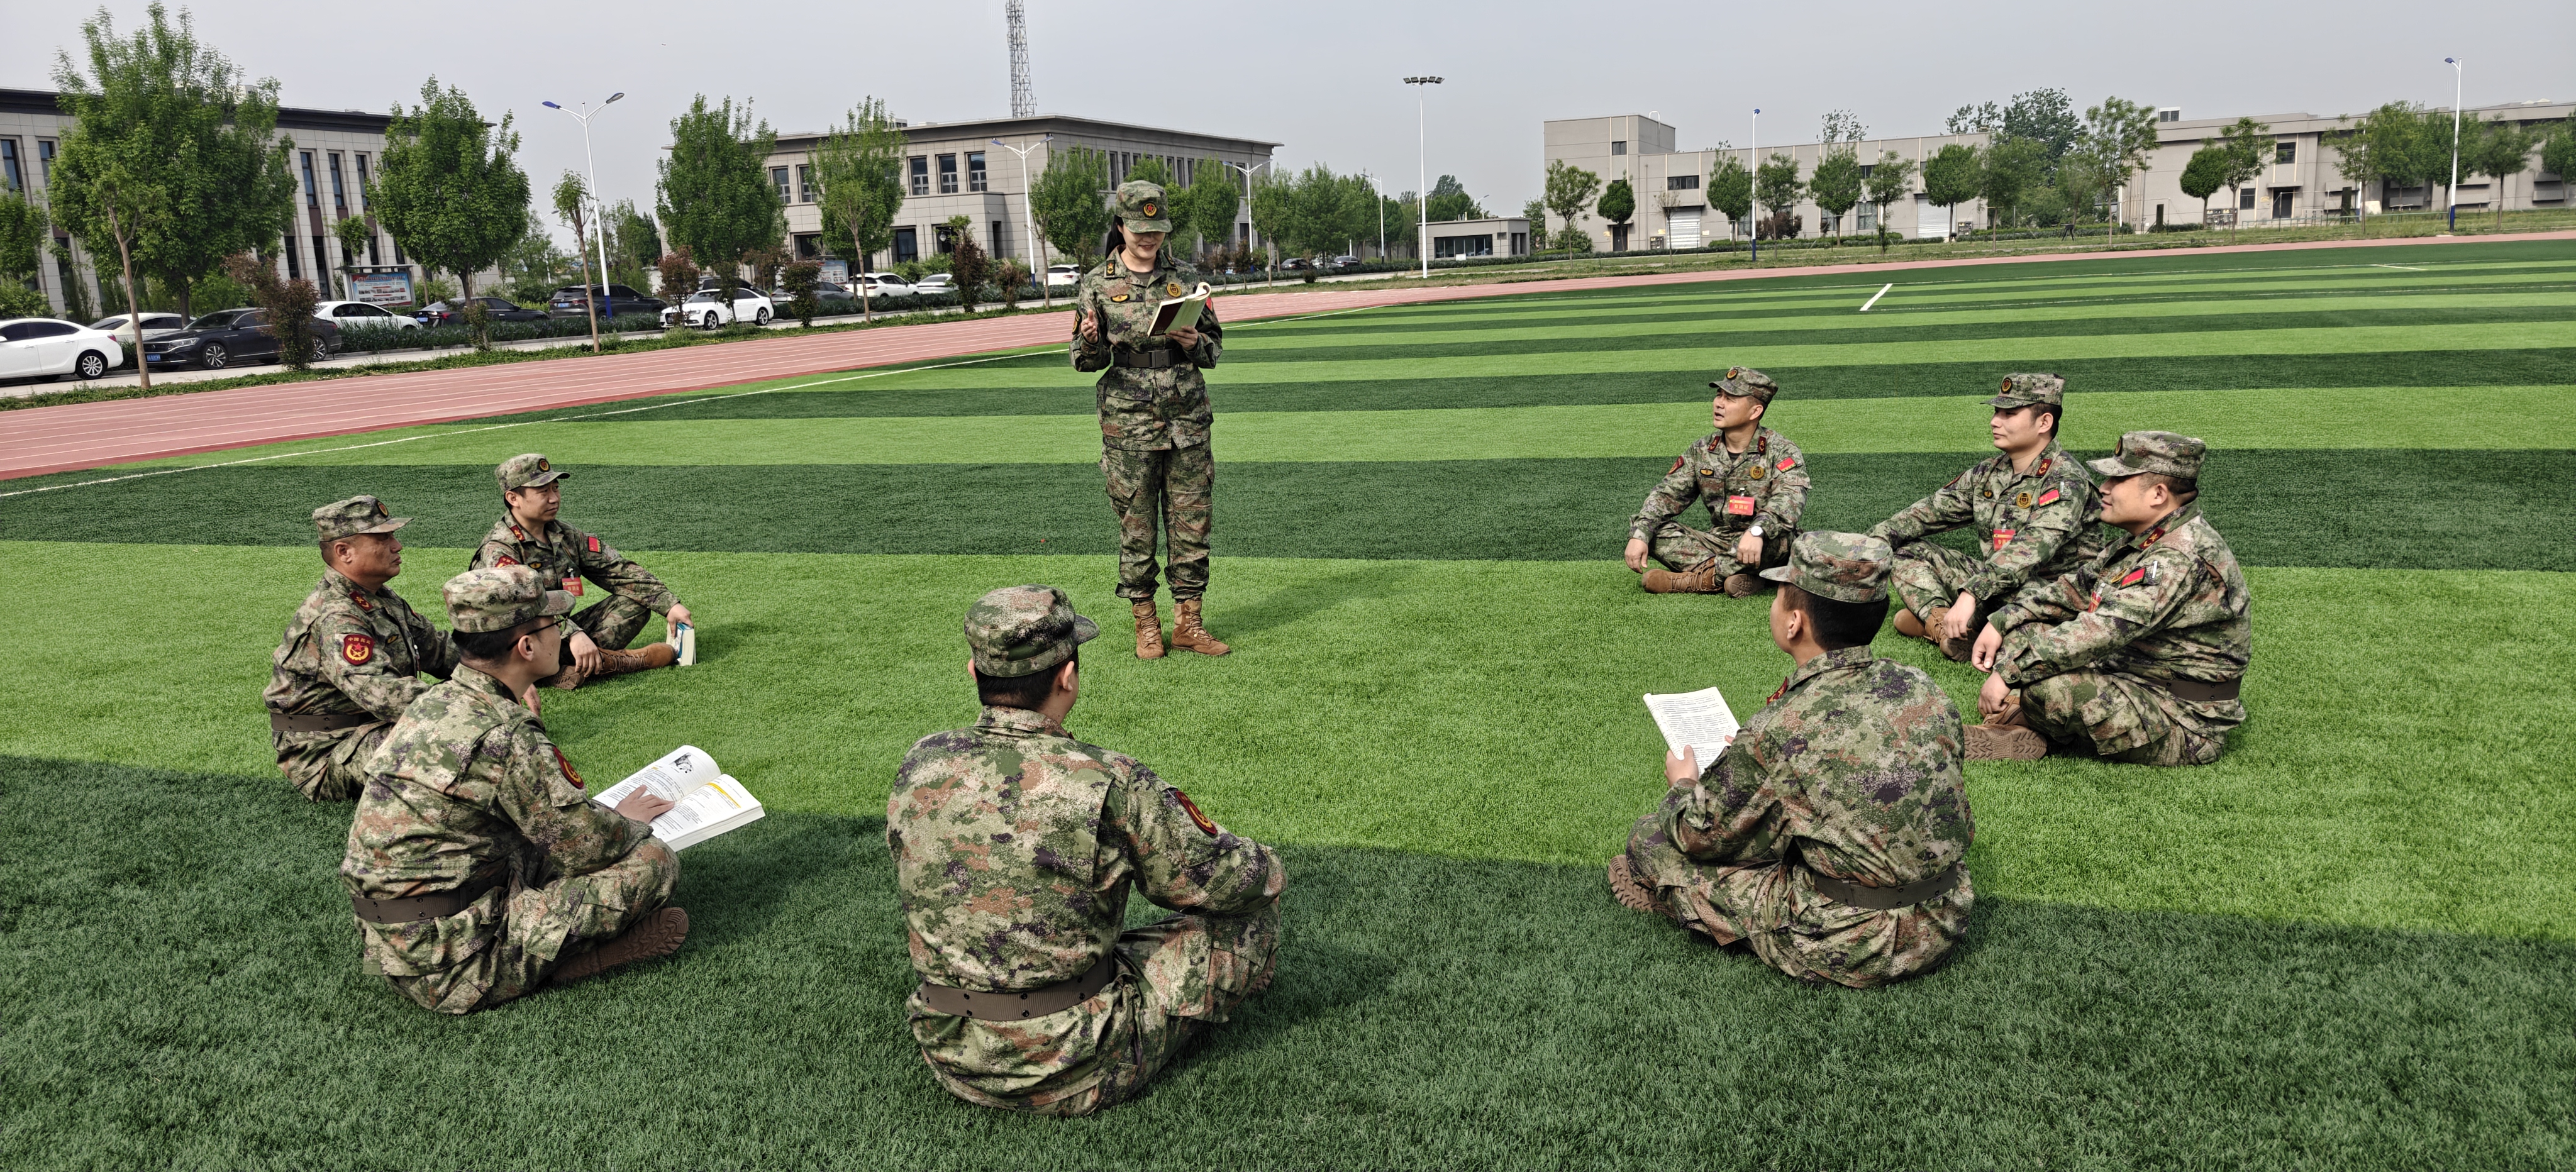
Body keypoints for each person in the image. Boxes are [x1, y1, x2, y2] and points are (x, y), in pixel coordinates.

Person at [889, 584, 1284, 1115]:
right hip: (1074, 1060)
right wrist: (1268, 863)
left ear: (974, 672)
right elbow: (1231, 882)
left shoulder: (921, 761)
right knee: (1251, 918)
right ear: (1068, 677)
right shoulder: (1107, 778)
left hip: (949, 1047)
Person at [1609, 531, 1975, 988]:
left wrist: (1683, 784)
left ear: (1794, 623)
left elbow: (1697, 836)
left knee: (1650, 839)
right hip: (1948, 911)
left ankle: (1679, 900)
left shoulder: (1783, 727)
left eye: (1781, 594)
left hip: (1860, 941)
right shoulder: (1922, 686)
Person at [341, 565, 689, 1014]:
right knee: (654, 861)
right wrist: (627, 824)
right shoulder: (504, 733)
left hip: (390, 943)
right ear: (527, 647)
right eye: (554, 625)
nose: (561, 633)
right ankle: (553, 963)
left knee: (542, 843)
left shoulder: (434, 701)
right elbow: (588, 849)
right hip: (451, 964)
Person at [1966, 431, 2250, 765]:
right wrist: (2003, 621)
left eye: (2119, 479)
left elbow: (2098, 633)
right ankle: (2027, 719)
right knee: (2024, 631)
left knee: (2048, 688)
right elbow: (2072, 591)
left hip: (2181, 718)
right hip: (2130, 677)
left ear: (2158, 494)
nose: (2104, 487)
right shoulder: (2145, 540)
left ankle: (2031, 723)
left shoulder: (2178, 557)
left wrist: (2009, 674)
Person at [1072, 181, 1231, 659]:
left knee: (1192, 522)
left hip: (1186, 418)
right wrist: (1091, 339)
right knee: (1136, 525)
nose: (1149, 238)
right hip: (1129, 422)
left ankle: (1189, 623)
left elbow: (1214, 349)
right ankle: (1146, 623)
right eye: (1140, 230)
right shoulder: (1097, 284)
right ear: (1121, 227)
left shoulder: (1187, 277)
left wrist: (1194, 342)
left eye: (1157, 230)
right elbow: (1084, 362)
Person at [1867, 373, 2104, 661]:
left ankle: (1962, 624)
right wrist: (1866, 547)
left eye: (2009, 414)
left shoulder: (2067, 481)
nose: (1995, 421)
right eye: (1996, 412)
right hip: (1995, 584)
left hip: (2049, 595)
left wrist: (1971, 594)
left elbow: (2028, 551)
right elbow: (1926, 513)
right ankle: (1945, 628)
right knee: (1906, 551)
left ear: (2044, 423)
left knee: (2036, 641)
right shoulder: (1989, 472)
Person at [265, 495, 460, 801]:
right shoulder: (336, 616)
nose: (398, 546)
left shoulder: (378, 597)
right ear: (344, 552)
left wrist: (501, 667)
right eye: (384, 539)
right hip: (328, 752)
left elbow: (439, 650)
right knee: (458, 737)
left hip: (371, 729)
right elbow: (385, 695)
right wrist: (471, 701)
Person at [469, 453, 685, 688]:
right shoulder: (500, 549)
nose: (554, 498)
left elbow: (616, 569)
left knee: (637, 601)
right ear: (513, 498)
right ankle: (611, 663)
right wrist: (572, 633)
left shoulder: (564, 535)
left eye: (556, 489)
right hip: (512, 645)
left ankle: (568, 668)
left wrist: (669, 604)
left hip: (551, 634)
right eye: (543, 492)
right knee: (523, 636)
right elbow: (523, 606)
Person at [1624, 367, 1809, 596]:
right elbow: (1667, 495)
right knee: (1650, 529)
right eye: (1719, 395)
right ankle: (1740, 576)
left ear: (1755, 411)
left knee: (1776, 541)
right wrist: (1640, 534)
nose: (1719, 404)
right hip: (1719, 540)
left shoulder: (1781, 450)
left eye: (1730, 399)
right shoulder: (1702, 450)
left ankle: (1695, 581)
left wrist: (1757, 530)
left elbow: (1790, 500)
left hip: (1765, 541)